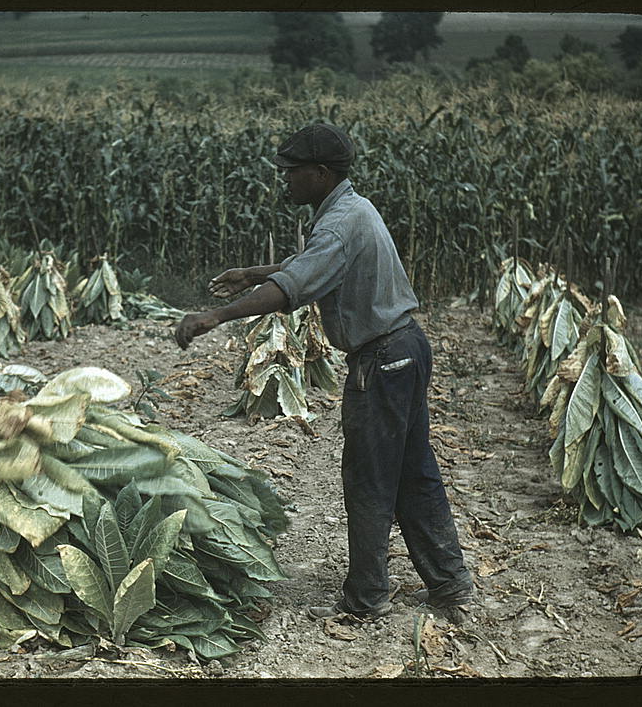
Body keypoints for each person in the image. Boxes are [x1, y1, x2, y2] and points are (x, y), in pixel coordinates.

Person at [175, 123, 475, 622]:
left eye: (291, 172)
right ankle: (449, 582)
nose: (284, 181)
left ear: (319, 171)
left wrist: (213, 317)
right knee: (411, 471)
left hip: (381, 360)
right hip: (405, 348)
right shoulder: (350, 209)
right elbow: (313, 263)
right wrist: (254, 272)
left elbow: (294, 286)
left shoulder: (337, 223)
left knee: (369, 479)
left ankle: (366, 598)